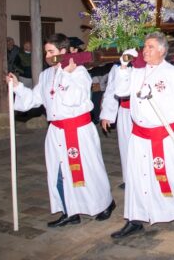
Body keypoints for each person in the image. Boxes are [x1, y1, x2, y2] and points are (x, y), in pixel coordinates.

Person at [7, 33, 115, 228]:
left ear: (63, 52)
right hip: (56, 131)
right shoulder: (45, 75)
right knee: (59, 172)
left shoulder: (79, 72)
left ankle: (104, 203)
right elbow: (35, 99)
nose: (48, 56)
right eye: (46, 52)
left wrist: (67, 73)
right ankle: (69, 211)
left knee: (88, 170)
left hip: (78, 130)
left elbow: (73, 99)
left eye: (51, 52)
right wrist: (17, 87)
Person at [110, 32, 174, 238]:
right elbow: (121, 91)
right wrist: (123, 66)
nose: (145, 50)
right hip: (139, 136)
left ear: (162, 50)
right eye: (145, 46)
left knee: (172, 176)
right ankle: (134, 219)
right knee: (136, 179)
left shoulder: (172, 74)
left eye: (150, 47)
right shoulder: (137, 72)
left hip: (163, 136)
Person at [100, 53, 137, 189]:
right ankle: (129, 179)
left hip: (143, 112)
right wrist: (107, 114)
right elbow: (111, 90)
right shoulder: (117, 67)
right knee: (126, 145)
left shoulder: (143, 65)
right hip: (125, 111)